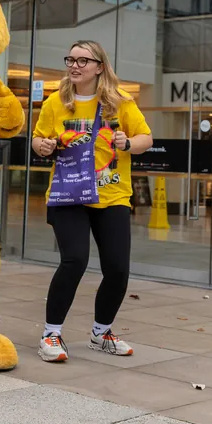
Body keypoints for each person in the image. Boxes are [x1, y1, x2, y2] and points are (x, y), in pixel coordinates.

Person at [31, 40, 152, 363]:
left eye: (83, 61)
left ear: (100, 67)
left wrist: (127, 143)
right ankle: (51, 333)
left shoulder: (120, 103)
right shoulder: (56, 102)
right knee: (75, 260)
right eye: (71, 59)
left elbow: (146, 138)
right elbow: (39, 138)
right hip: (68, 194)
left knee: (117, 268)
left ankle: (102, 332)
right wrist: (41, 146)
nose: (75, 65)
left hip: (111, 195)